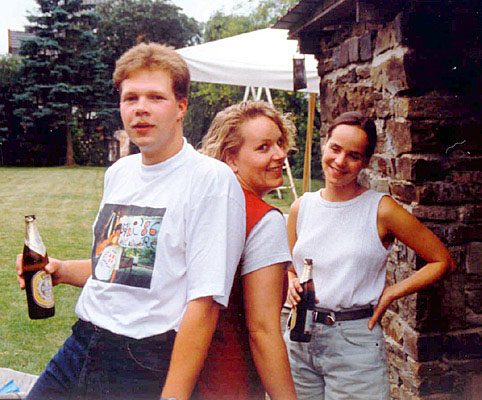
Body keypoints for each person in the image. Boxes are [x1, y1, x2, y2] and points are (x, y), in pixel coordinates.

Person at [16, 42, 246, 400]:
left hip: (142, 362)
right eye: (130, 98)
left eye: (156, 97)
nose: (141, 108)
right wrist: (60, 270)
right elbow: (121, 266)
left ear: (181, 107)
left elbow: (204, 304)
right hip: (81, 344)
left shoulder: (210, 180)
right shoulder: (120, 173)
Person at [284, 111, 455, 400]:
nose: (340, 161)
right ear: (324, 145)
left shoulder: (380, 209)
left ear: (365, 162)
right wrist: (290, 281)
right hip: (300, 339)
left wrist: (390, 293)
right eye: (335, 148)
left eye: (353, 155)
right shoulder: (301, 207)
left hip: (353, 344)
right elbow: (293, 268)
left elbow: (442, 260)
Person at [195, 100, 298, 400]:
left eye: (279, 143)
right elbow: (263, 331)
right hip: (232, 379)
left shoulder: (202, 206)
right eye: (263, 147)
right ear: (231, 159)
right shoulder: (264, 220)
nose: (280, 154)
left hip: (185, 371)